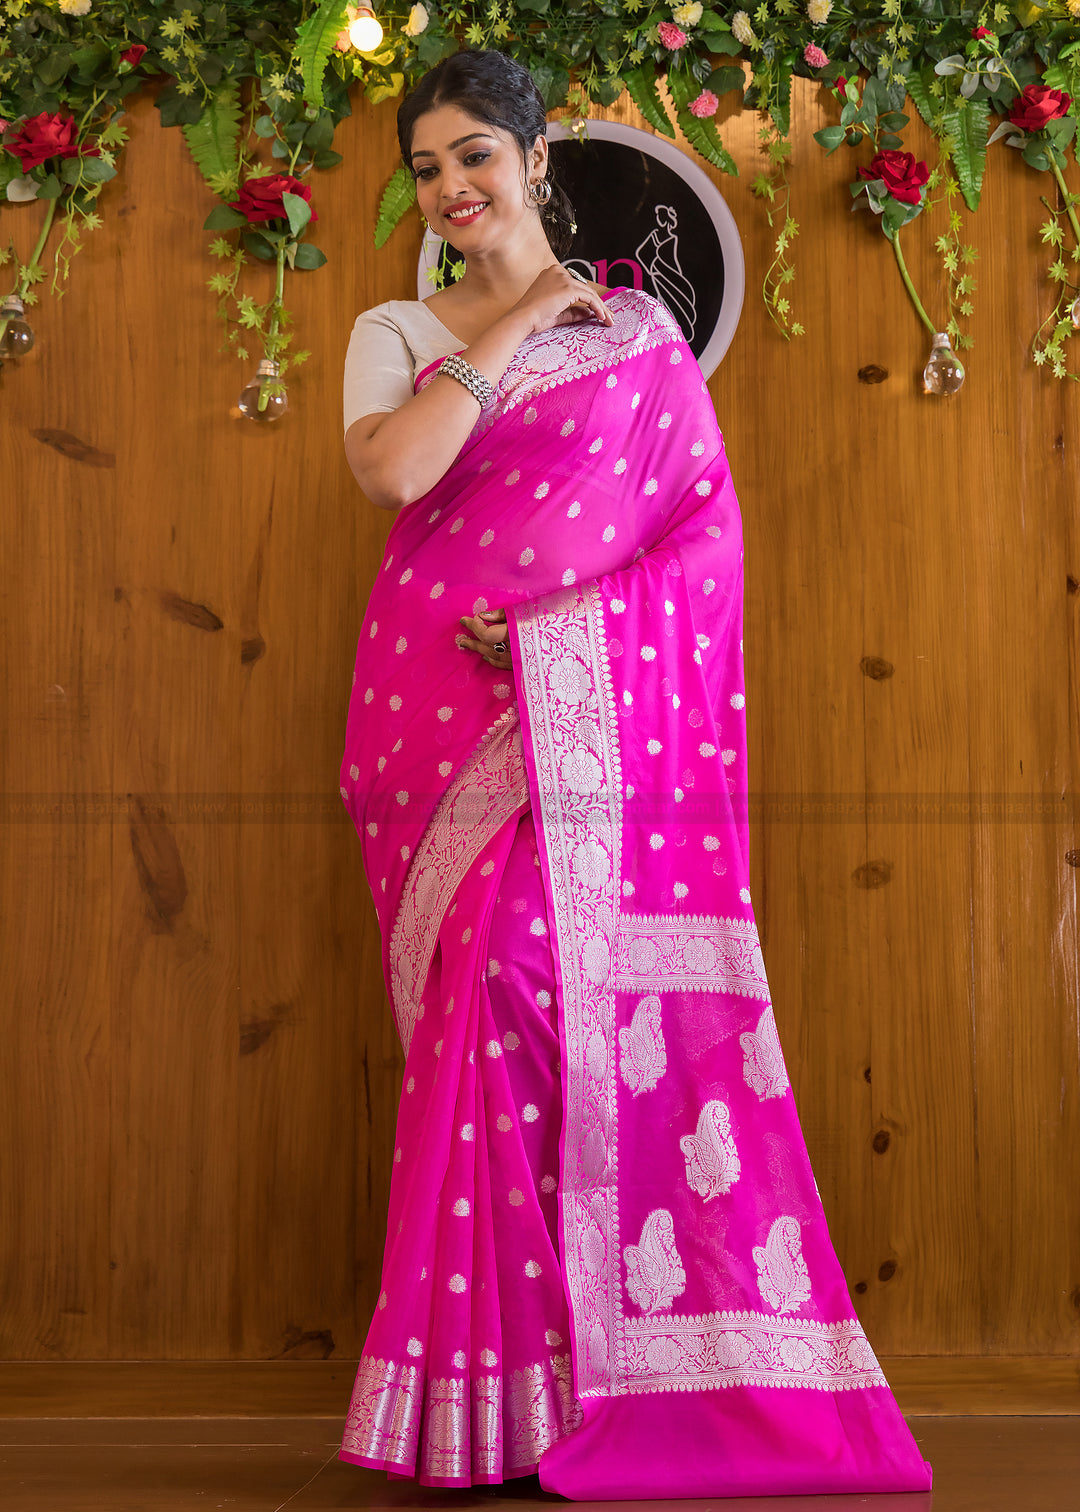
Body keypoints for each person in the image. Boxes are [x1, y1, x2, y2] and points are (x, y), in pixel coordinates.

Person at [337, 48, 932, 1501]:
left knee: (537, 1007)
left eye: (476, 154)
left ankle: (582, 1383)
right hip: (432, 730)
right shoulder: (397, 323)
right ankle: (491, 1408)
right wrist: (516, 317)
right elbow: (399, 473)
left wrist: (554, 632)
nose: (454, 186)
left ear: (536, 159)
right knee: (473, 1024)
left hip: (584, 728)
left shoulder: (641, 344)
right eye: (428, 168)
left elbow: (702, 545)